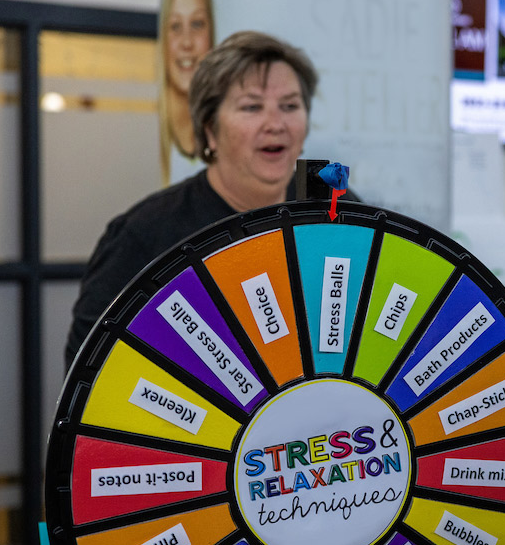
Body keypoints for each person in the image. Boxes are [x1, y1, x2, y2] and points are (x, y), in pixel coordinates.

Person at [66, 31, 317, 368]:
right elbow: (91, 370)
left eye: (289, 106)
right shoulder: (144, 235)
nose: (276, 124)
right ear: (209, 130)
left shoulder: (332, 213)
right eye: (252, 107)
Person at [159, 0, 215, 183]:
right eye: (175, 26)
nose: (186, 42)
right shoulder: (149, 138)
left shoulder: (225, 138)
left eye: (197, 24)